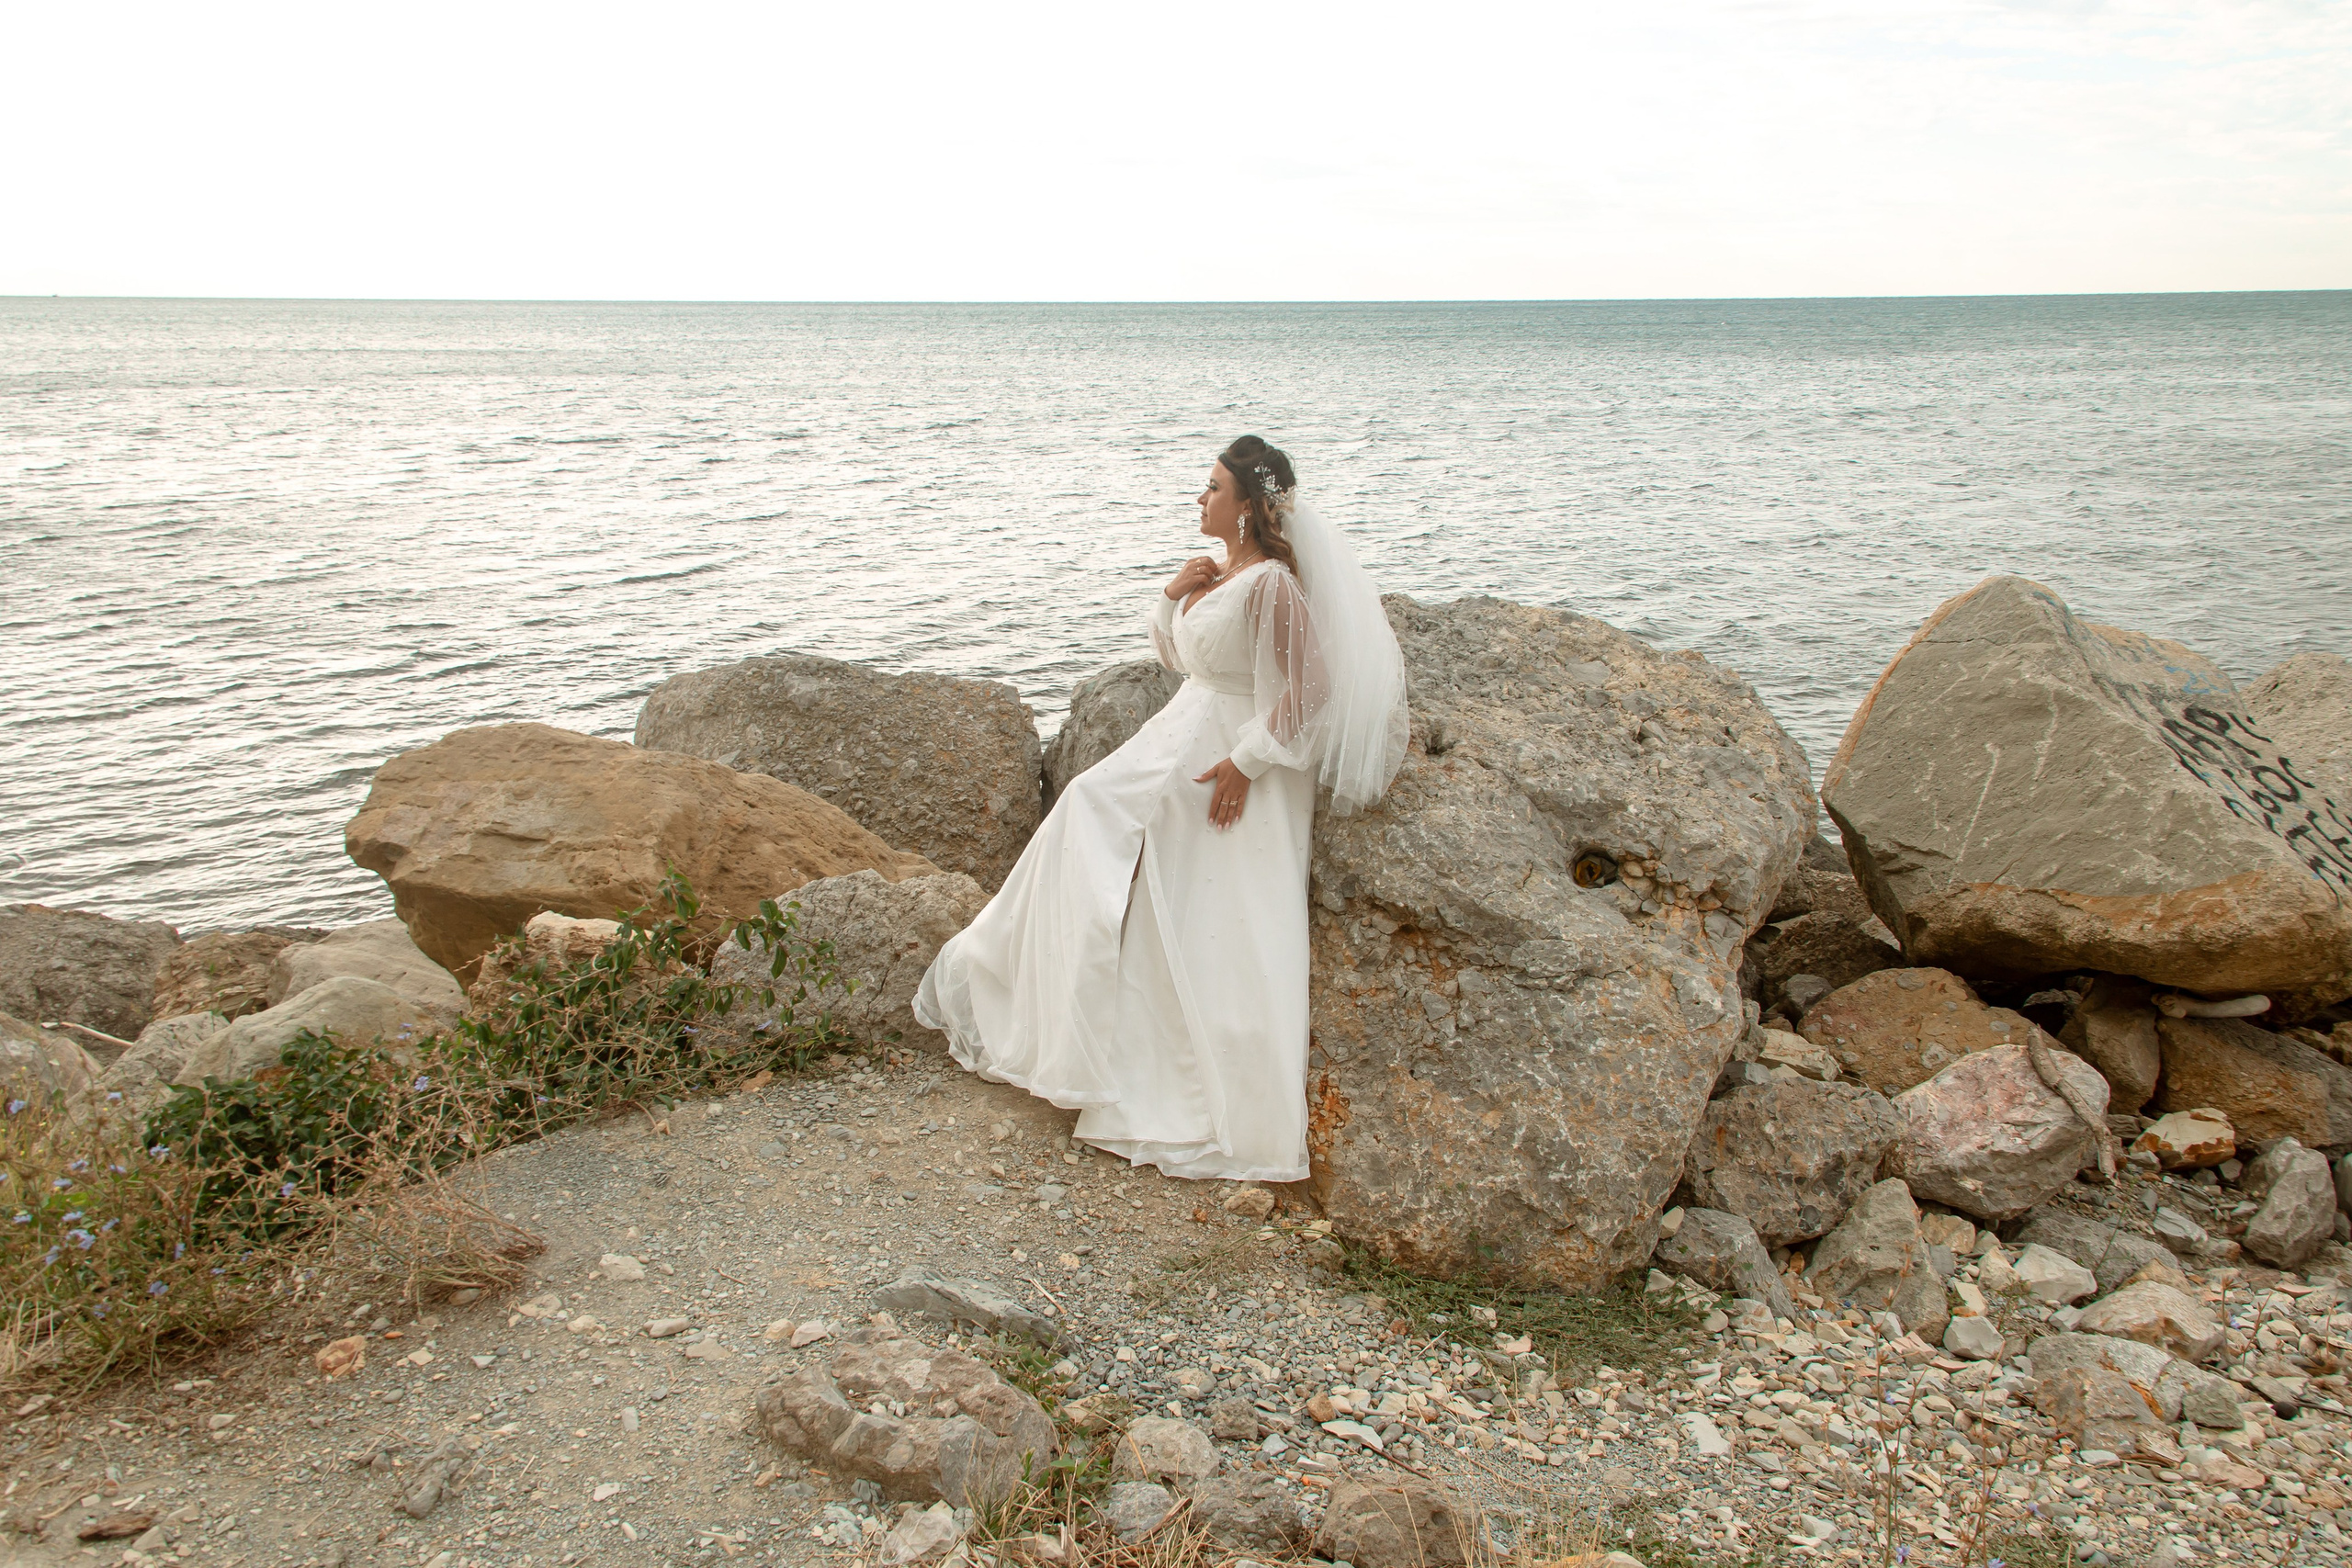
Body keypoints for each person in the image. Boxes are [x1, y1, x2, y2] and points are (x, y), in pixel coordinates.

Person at [912, 436, 1408, 1179]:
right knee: (1096, 825)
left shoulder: (1272, 583)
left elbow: (1313, 690)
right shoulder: (1226, 574)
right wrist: (1176, 592)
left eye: (1212, 488)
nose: (1200, 499)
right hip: (1180, 735)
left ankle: (1199, 1101)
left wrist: (1246, 761)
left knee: (1202, 911)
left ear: (1247, 506)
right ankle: (1044, 1012)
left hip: (1227, 759)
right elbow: (1188, 660)